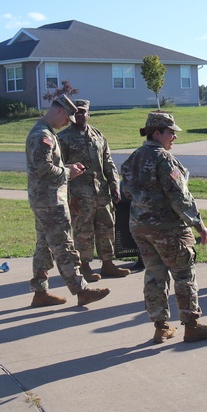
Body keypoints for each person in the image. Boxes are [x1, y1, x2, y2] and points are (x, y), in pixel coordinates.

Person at [120, 111, 207, 344]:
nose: (174, 137)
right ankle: (192, 326)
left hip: (140, 228)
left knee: (154, 275)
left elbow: (127, 192)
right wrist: (199, 224)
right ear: (157, 133)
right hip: (168, 229)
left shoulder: (133, 158)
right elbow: (180, 197)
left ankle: (161, 327)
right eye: (171, 132)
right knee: (184, 274)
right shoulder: (164, 159)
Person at [25, 94, 110, 307]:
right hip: (50, 201)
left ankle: (40, 292)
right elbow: (44, 168)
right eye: (66, 119)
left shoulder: (45, 132)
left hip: (45, 199)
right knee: (64, 246)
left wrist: (67, 169)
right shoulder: (42, 135)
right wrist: (68, 172)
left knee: (44, 246)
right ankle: (81, 291)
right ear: (59, 111)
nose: (66, 123)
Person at [58, 99, 131, 281]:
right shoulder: (64, 138)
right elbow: (60, 169)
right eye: (76, 112)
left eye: (83, 111)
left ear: (89, 113)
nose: (80, 115)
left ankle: (108, 264)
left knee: (107, 229)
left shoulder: (97, 135)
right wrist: (68, 197)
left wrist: (115, 185)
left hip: (101, 193)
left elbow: (108, 162)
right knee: (83, 232)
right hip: (79, 195)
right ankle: (85, 267)